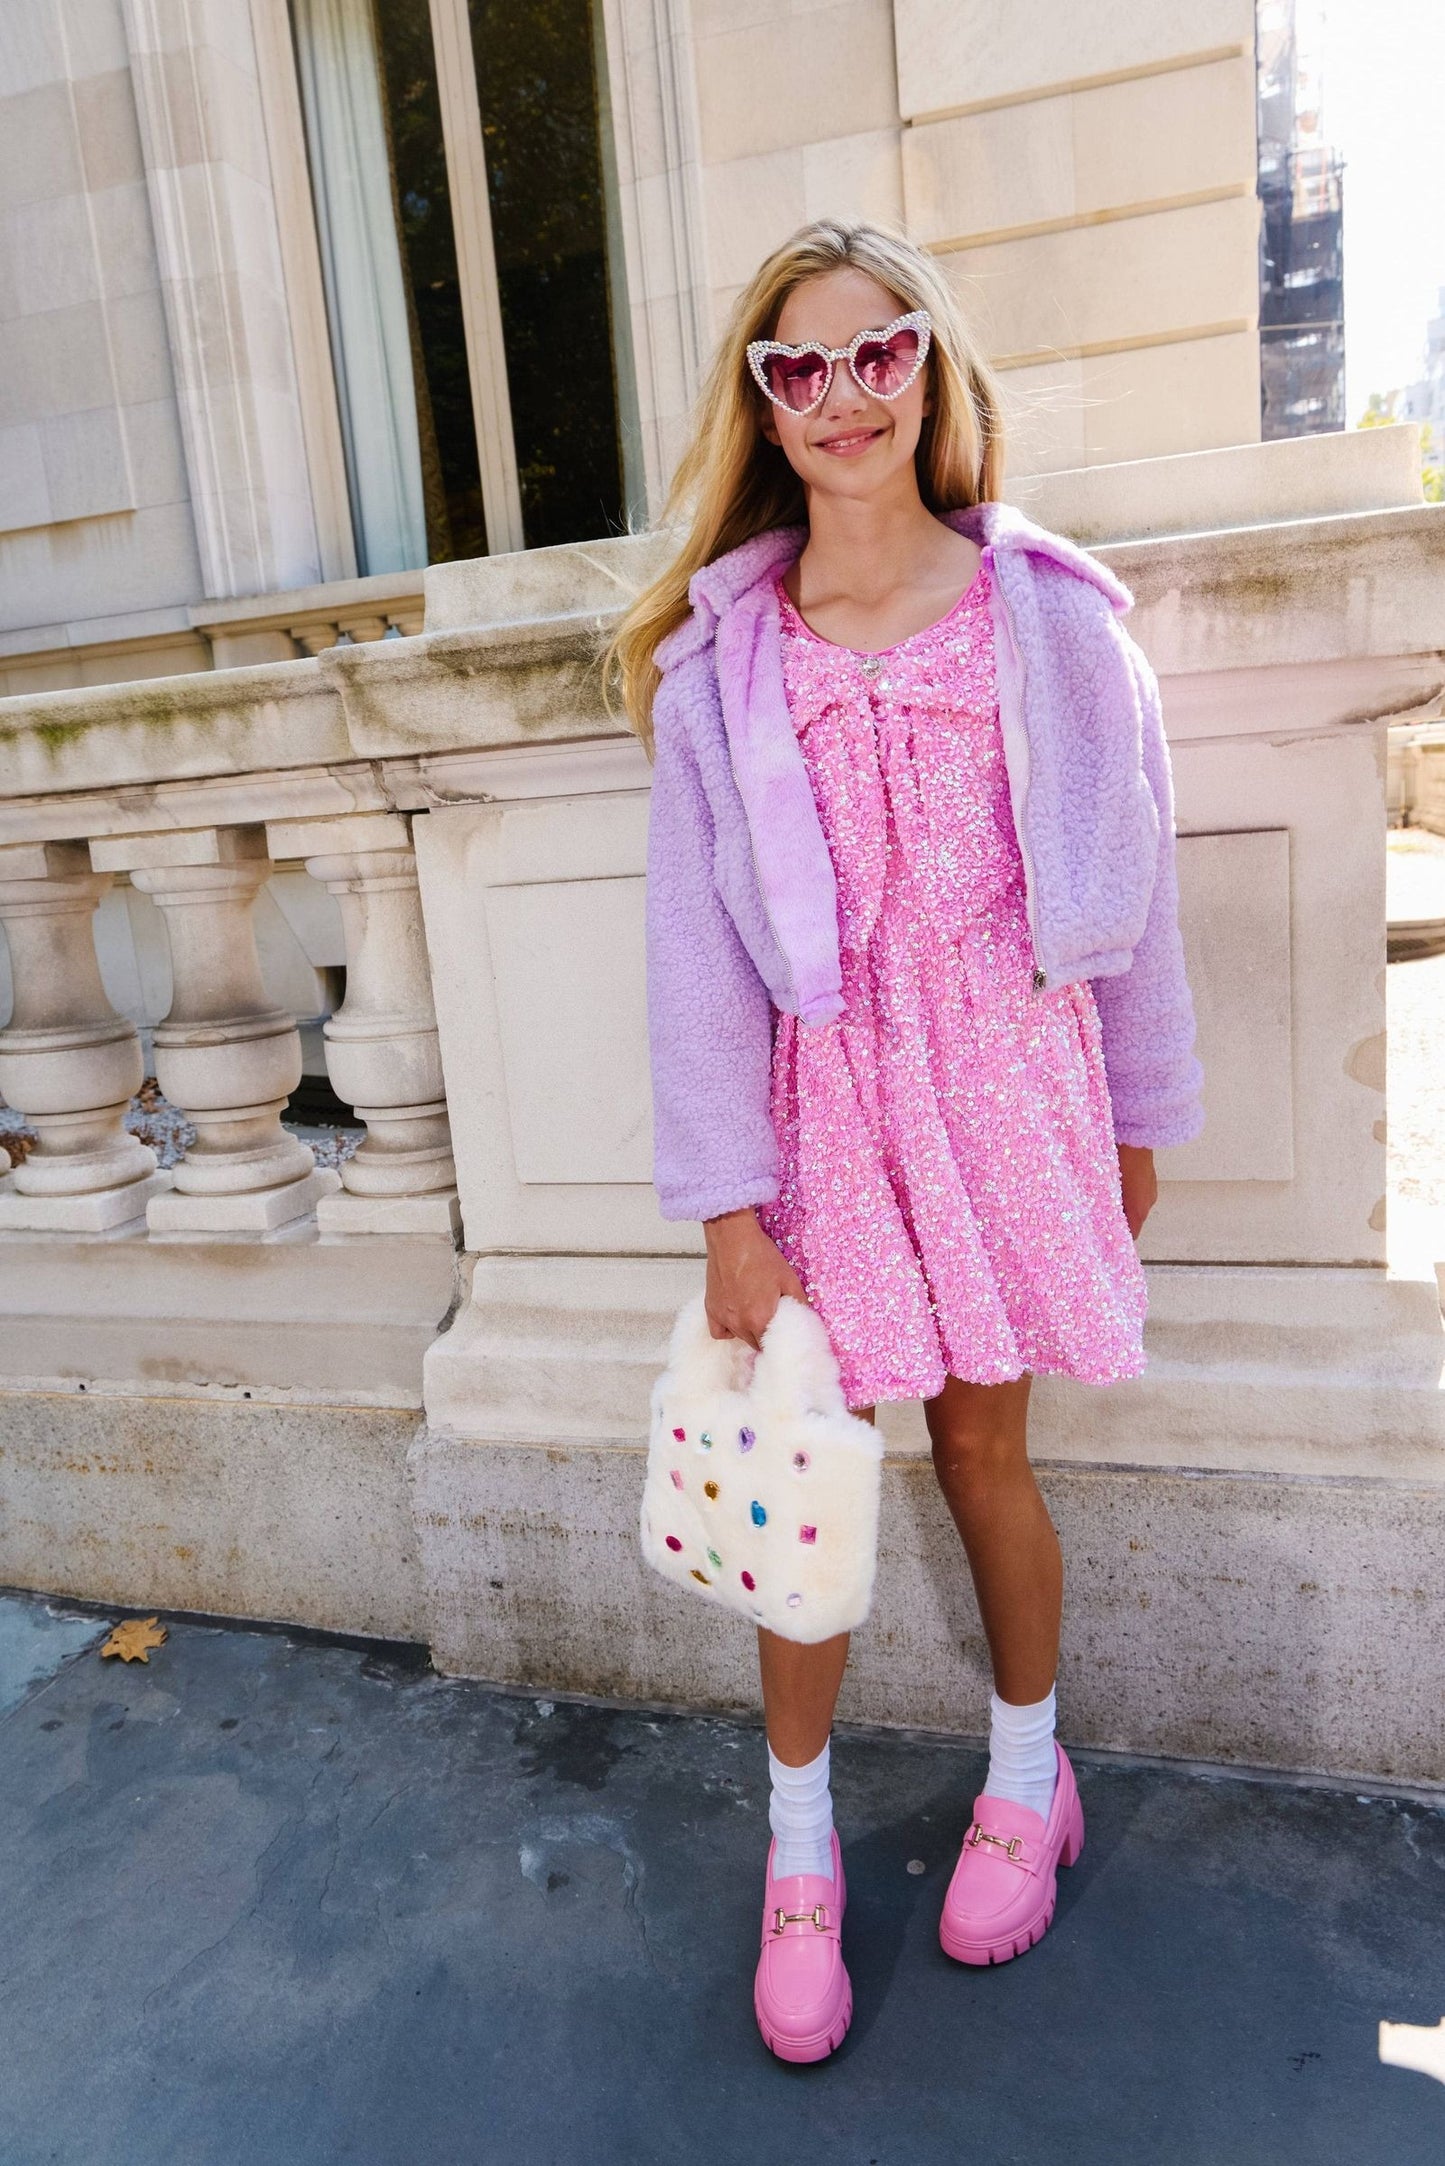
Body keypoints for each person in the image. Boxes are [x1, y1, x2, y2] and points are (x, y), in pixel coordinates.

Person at [608, 218, 1203, 2064]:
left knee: (983, 1450)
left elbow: (1134, 894)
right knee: (811, 1486)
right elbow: (694, 957)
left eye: (878, 354)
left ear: (928, 368)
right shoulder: (724, 670)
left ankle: (1031, 1775)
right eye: (801, 368)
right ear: (763, 409)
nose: (844, 393)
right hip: (822, 1119)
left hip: (1014, 1092)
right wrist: (722, 1199)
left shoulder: (1051, 624)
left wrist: (1139, 1125)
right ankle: (799, 1855)